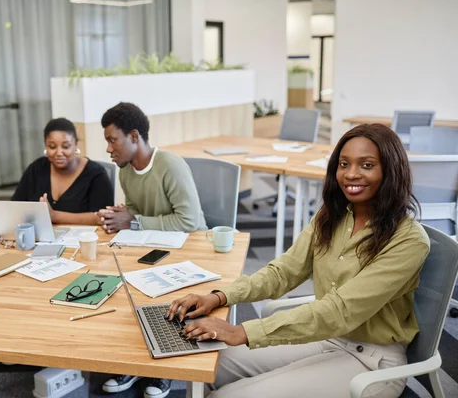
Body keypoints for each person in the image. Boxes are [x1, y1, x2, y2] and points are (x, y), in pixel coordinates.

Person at [166, 124, 430, 398]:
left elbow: (339, 311)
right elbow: (283, 273)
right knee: (207, 362)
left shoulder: (408, 240)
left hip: (372, 362)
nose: (351, 174)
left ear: (390, 169)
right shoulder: (332, 216)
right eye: (343, 163)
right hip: (327, 337)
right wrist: (220, 297)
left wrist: (243, 331)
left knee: (227, 395)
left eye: (367, 165)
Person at [97, 102, 207, 398]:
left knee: (160, 296)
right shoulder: (126, 172)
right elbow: (135, 212)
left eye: (112, 140)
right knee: (118, 282)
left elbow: (189, 222)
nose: (109, 149)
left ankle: (163, 370)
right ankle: (135, 362)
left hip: (189, 248)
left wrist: (133, 220)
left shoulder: (170, 165)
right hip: (150, 245)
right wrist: (121, 216)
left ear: (134, 136)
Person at [12, 117, 114, 224]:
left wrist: (54, 216)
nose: (59, 152)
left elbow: (103, 216)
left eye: (66, 146)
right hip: (40, 238)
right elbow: (15, 206)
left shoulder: (96, 174)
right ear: (46, 146)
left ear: (75, 145)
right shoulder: (36, 169)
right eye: (52, 147)